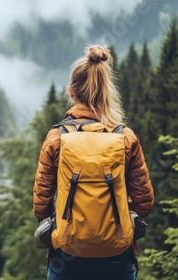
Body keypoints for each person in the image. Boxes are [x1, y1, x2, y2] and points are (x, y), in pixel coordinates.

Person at [33, 45, 154, 280]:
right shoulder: (125, 138)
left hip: (66, 256)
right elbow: (145, 204)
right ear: (106, 91)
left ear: (71, 91)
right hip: (117, 256)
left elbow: (40, 205)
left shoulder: (56, 138)